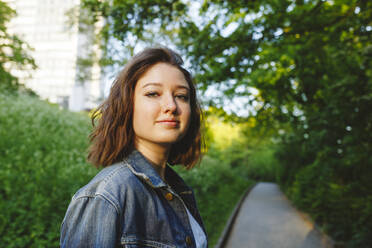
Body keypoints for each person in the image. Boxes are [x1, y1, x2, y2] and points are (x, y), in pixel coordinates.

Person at [60, 47, 208, 248]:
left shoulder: (179, 192)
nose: (171, 106)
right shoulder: (106, 196)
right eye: (153, 93)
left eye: (182, 96)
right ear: (127, 105)